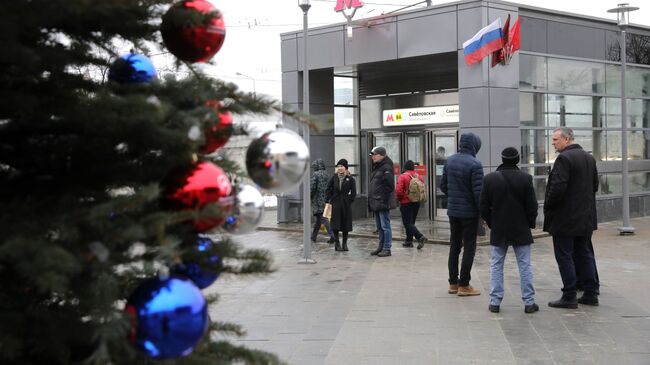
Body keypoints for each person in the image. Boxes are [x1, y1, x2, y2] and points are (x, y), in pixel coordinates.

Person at [544, 127, 599, 308]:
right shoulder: (589, 158)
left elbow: (557, 188)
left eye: (555, 139)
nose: (553, 143)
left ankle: (569, 295)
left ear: (567, 139)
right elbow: (595, 186)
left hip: (566, 219)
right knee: (584, 254)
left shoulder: (564, 159)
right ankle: (591, 294)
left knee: (564, 255)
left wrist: (548, 207)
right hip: (585, 218)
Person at [480, 147, 539, 314]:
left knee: (496, 264)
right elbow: (532, 206)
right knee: (525, 265)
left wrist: (492, 223)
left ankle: (495, 302)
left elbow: (483, 206)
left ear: (502, 159)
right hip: (521, 228)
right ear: (517, 159)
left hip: (499, 228)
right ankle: (529, 302)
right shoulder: (526, 178)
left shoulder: (490, 179)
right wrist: (530, 223)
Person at [440, 132, 483, 296]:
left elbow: (443, 186)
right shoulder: (475, 164)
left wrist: (454, 196)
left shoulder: (450, 161)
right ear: (474, 145)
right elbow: (478, 193)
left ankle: (453, 283)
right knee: (469, 247)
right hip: (469, 213)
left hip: (453, 212)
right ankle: (464, 284)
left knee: (455, 246)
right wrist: (484, 214)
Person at [368, 146, 395, 257]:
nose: (373, 157)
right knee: (379, 227)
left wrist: (382, 197)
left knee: (385, 226)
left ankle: (387, 248)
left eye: (374, 154)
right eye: (372, 155)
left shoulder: (386, 167)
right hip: (376, 201)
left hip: (382, 201)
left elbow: (390, 186)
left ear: (381, 155)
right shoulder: (378, 167)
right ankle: (381, 246)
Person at [326, 159, 356, 251]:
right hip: (335, 204)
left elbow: (354, 193)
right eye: (338, 166)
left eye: (342, 166)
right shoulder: (334, 178)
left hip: (345, 205)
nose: (340, 168)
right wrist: (330, 199)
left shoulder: (350, 179)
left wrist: (348, 200)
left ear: (346, 168)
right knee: (335, 225)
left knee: (345, 225)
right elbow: (328, 189)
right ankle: (337, 244)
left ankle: (345, 244)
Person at [396, 160, 428, 249]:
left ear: (404, 167)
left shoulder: (403, 176)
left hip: (406, 202)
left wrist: (400, 199)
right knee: (411, 222)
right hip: (416, 202)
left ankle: (420, 237)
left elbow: (398, 191)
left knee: (407, 223)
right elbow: (423, 188)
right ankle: (408, 241)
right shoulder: (419, 176)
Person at [310, 158, 335, 244]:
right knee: (319, 219)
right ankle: (313, 236)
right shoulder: (327, 174)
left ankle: (333, 236)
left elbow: (312, 188)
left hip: (318, 200)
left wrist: (309, 196)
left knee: (323, 218)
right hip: (326, 199)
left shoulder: (315, 174)